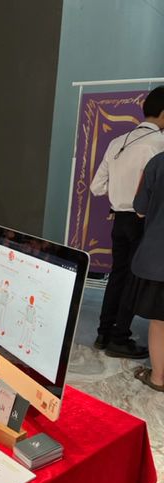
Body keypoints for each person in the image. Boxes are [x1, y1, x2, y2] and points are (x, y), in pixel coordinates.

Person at [90, 86, 164, 358]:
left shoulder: (118, 141)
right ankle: (120, 338)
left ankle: (103, 333)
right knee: (133, 280)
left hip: (119, 218)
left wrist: (118, 195)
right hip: (142, 220)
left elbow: (96, 187)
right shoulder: (159, 144)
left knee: (117, 275)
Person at [130, 154, 164, 392]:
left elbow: (140, 209)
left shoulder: (158, 162)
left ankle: (158, 378)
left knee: (160, 322)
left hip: (159, 256)